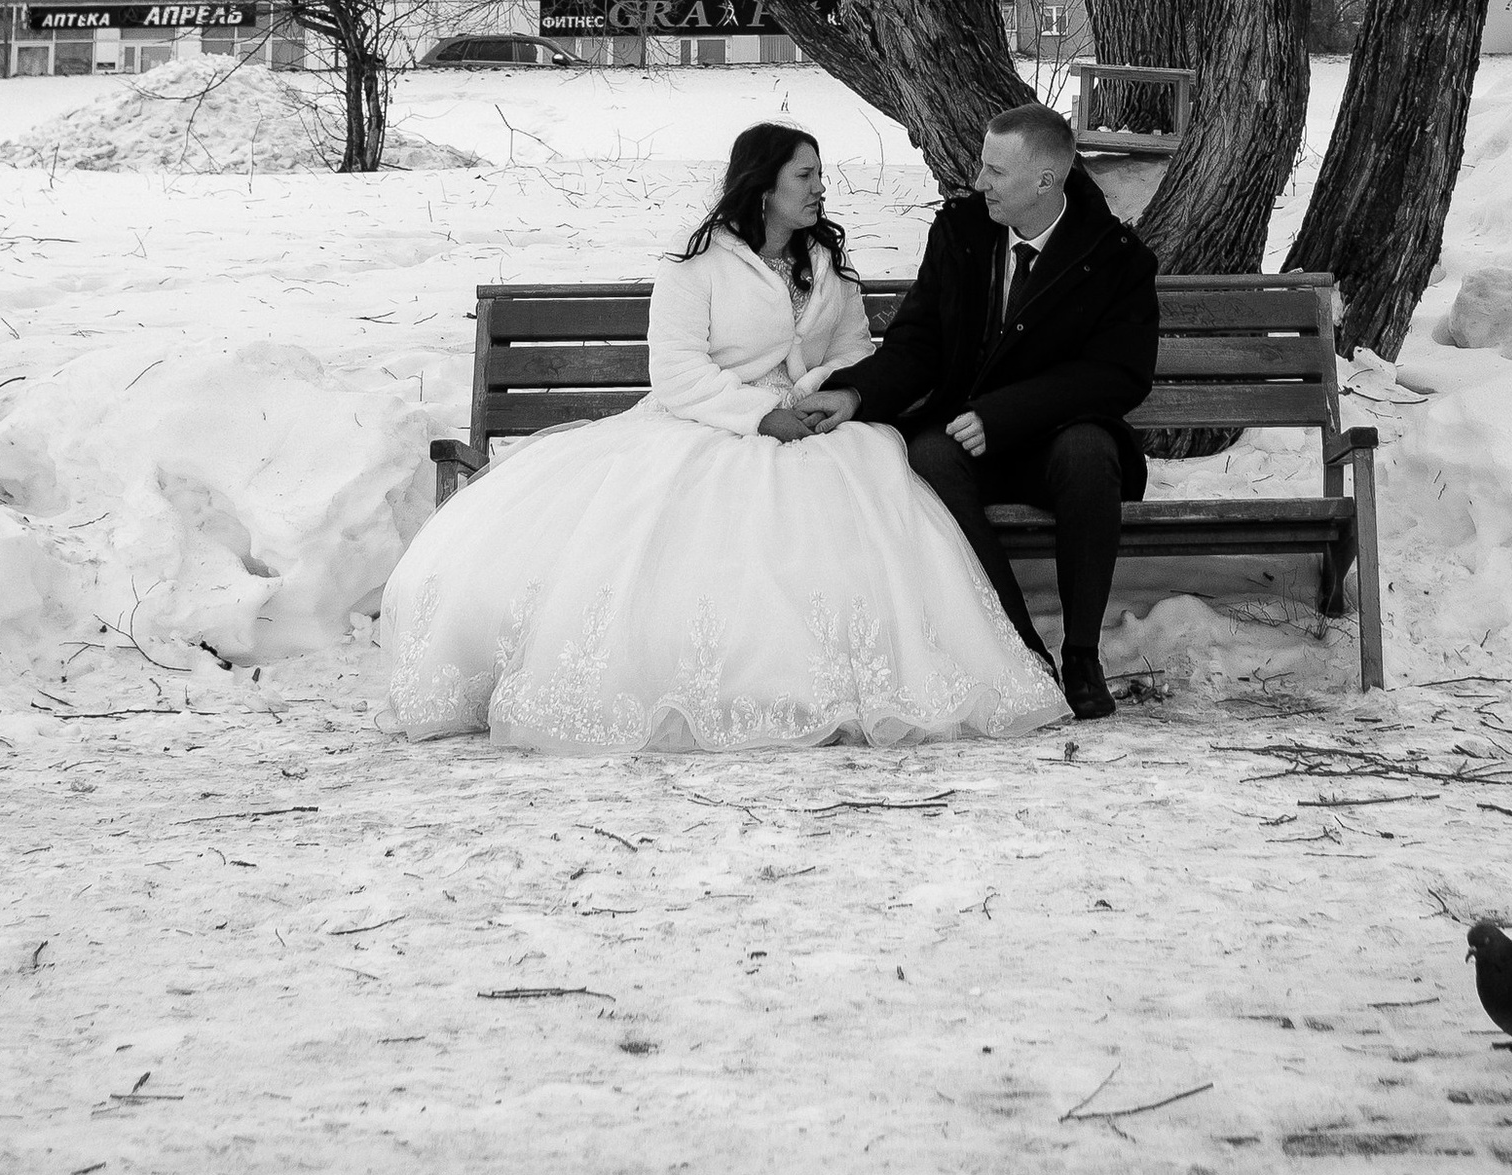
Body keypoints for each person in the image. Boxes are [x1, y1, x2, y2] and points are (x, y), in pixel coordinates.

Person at [380, 122, 1067, 754]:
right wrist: (759, 414)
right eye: (805, 176)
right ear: (762, 185)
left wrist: (821, 391)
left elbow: (858, 349)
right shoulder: (695, 267)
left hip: (818, 428)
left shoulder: (825, 261)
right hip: (705, 427)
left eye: (819, 175)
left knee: (869, 506)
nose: (821, 188)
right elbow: (675, 373)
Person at [813, 99, 1158, 720]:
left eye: (996, 171)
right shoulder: (962, 232)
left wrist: (1007, 413)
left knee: (1089, 452)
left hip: (1056, 439)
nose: (979, 181)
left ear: (1045, 180)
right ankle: (1022, 648)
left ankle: (1081, 654)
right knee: (926, 454)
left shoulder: (1116, 257)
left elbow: (1119, 374)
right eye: (983, 165)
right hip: (969, 442)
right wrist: (855, 393)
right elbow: (919, 343)